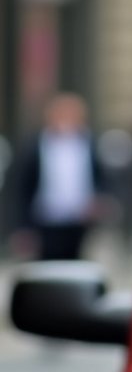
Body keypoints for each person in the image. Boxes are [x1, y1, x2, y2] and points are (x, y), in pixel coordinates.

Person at [10, 92, 105, 261]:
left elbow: (102, 178)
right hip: (45, 220)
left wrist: (99, 201)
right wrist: (21, 227)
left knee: (76, 263)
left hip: (79, 219)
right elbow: (21, 187)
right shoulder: (34, 146)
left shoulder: (89, 143)